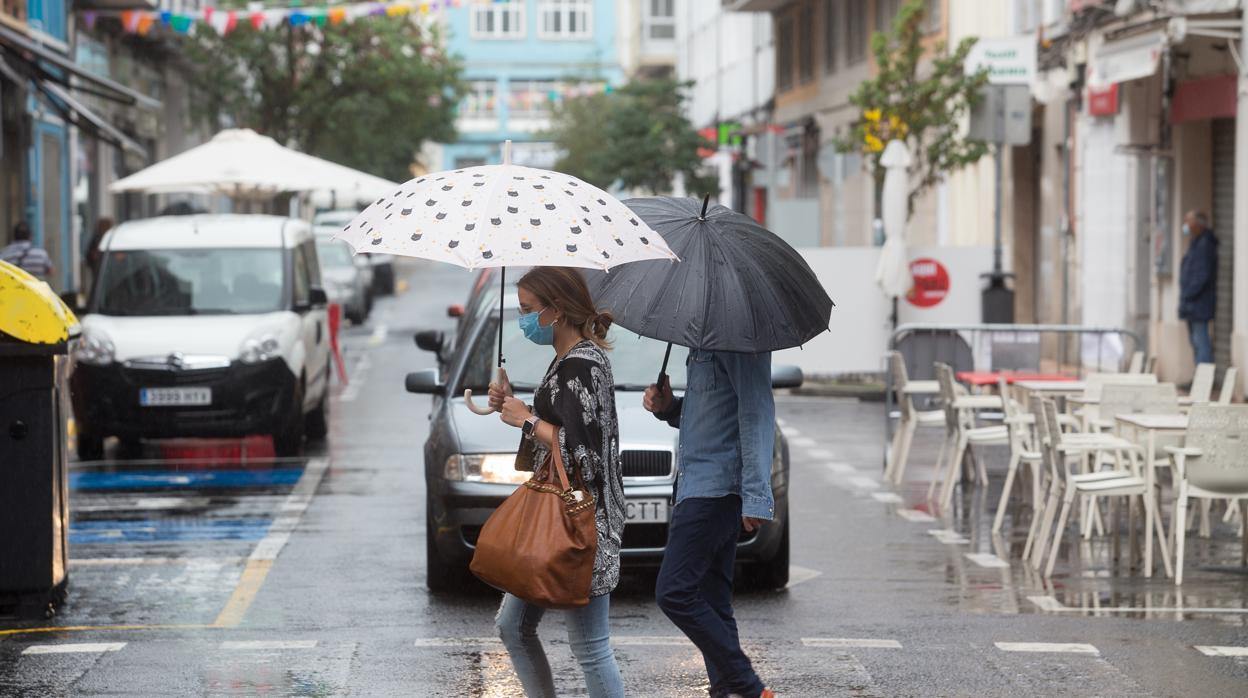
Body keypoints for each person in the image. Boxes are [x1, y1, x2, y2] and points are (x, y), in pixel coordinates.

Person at [487, 266, 626, 698]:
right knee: (513, 626)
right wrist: (513, 406)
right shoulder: (569, 360)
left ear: (557, 310)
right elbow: (565, 426)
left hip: (581, 521)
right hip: (561, 514)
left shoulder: (581, 365)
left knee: (589, 646)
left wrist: (526, 420)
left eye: (528, 310)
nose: (524, 320)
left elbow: (583, 452)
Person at [643, 352, 776, 698]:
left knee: (674, 593)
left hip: (714, 489)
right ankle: (730, 691)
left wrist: (756, 495)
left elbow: (755, 412)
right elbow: (714, 412)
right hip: (697, 485)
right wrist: (670, 406)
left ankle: (748, 686)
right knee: (714, 603)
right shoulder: (705, 340)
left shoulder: (739, 341)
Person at [1179, 210, 1218, 366]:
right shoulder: (1196, 242)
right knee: (1196, 341)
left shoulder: (1204, 245)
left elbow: (1202, 275)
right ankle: (1200, 377)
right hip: (1193, 303)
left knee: (1200, 341)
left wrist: (1188, 294)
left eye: (1188, 221)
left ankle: (1204, 379)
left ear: (1198, 224)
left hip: (1199, 303)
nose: (1185, 225)